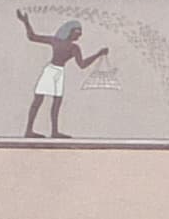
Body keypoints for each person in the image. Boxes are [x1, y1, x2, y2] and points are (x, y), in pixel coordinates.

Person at [17, 11, 106, 139]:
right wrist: (26, 22)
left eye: (79, 34)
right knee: (39, 100)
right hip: (51, 71)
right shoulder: (59, 42)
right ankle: (29, 130)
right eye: (77, 33)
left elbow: (82, 64)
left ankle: (54, 132)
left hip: (58, 72)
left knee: (55, 102)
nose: (78, 37)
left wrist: (98, 54)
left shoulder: (71, 46)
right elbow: (32, 37)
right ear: (70, 32)